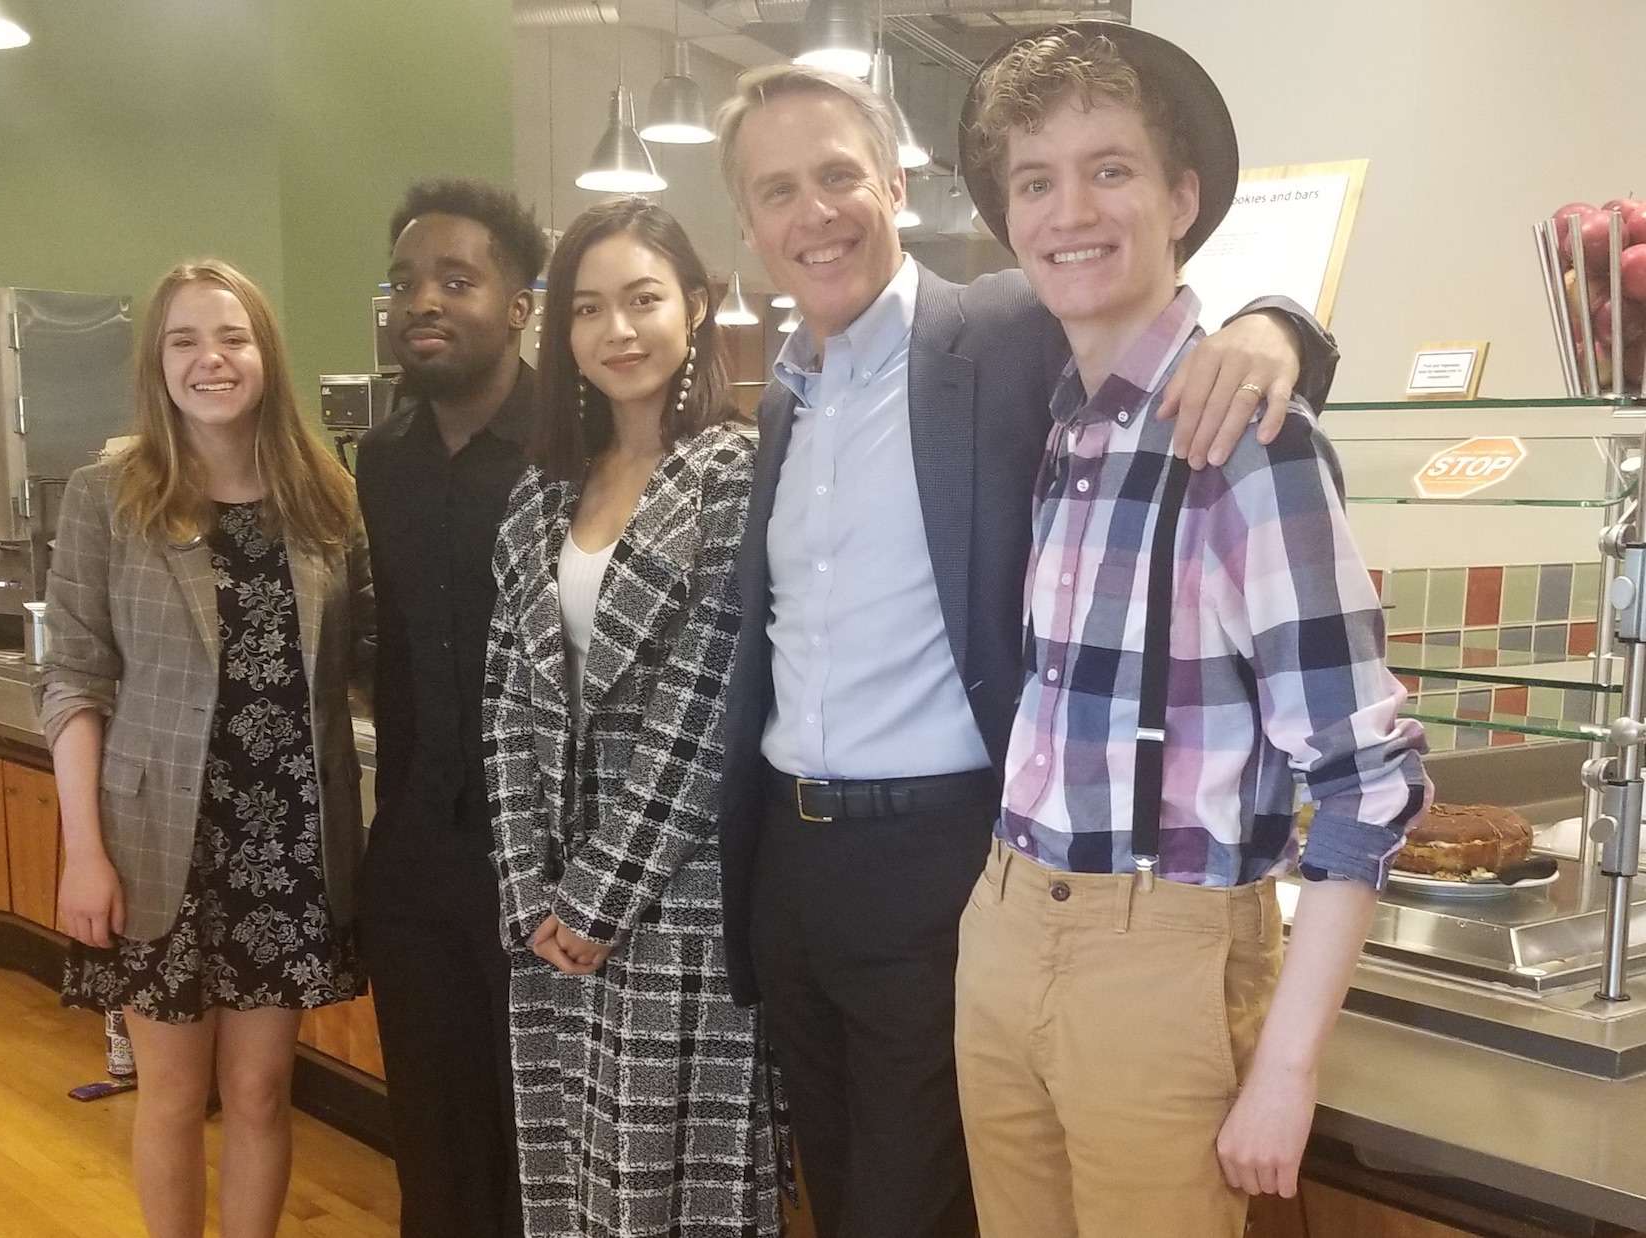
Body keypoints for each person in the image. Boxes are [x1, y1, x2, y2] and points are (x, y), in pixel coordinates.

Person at [710, 62, 1340, 1238]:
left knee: (908, 1209)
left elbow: (1147, 299)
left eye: (840, 174)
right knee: (840, 1194)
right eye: (779, 190)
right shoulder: (783, 399)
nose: (817, 212)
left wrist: (1280, 327)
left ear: (893, 185)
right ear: (749, 226)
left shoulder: (999, 328)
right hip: (794, 873)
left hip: (953, 858)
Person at [952, 24, 1429, 1238]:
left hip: (1160, 951)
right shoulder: (1060, 423)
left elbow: (1369, 778)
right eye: (1036, 179)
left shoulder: (1252, 441)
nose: (1071, 210)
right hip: (1003, 922)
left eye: (1109, 169)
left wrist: (1285, 1065)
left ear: (1181, 197)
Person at [38, 257, 373, 1238]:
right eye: (184, 340)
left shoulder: (327, 501)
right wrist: (83, 851)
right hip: (154, 845)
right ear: (158, 363)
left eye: (231, 337)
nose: (210, 359)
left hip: (288, 852)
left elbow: (370, 662)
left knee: (263, 1090)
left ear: (264, 352)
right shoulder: (111, 496)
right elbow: (73, 678)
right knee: (176, 1096)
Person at [484, 196, 778, 1237]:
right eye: (590, 307)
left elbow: (707, 705)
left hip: (679, 895)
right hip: (551, 910)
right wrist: (531, 891)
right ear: (560, 330)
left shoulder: (734, 474)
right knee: (574, 1189)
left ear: (693, 306)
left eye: (644, 299)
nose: (619, 329)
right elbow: (504, 702)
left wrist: (600, 895)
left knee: (679, 1190)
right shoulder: (538, 495)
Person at [354, 178, 545, 1238]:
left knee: (539, 1141)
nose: (423, 300)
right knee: (428, 1135)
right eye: (407, 282)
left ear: (519, 306)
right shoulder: (380, 460)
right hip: (415, 855)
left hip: (540, 862)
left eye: (456, 280)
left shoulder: (578, 451)